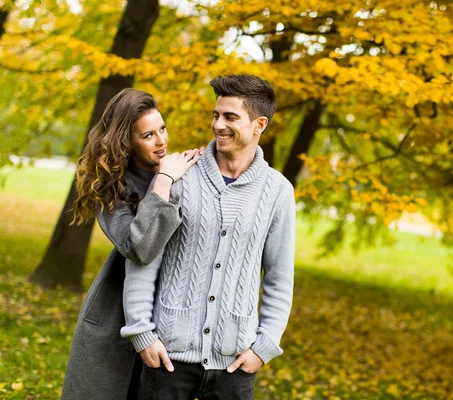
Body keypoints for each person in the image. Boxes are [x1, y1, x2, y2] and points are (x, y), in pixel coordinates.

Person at [120, 74, 296, 400]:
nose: (218, 125)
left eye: (230, 117)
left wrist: (265, 345)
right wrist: (142, 332)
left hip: (235, 366)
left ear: (259, 124)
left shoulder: (278, 192)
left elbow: (279, 277)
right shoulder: (180, 175)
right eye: (216, 115)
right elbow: (144, 260)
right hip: (168, 360)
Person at [61, 88, 201, 400]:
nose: (162, 141)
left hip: (176, 308)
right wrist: (163, 181)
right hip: (116, 315)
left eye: (162, 129)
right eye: (148, 135)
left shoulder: (186, 170)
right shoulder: (111, 188)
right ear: (127, 142)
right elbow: (140, 248)